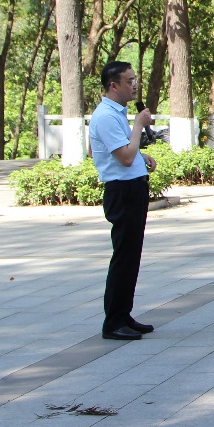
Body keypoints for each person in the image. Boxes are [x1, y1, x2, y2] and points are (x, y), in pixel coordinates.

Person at [89, 61, 158, 341]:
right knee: (124, 257)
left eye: (135, 79)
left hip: (133, 188)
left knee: (131, 256)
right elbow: (125, 158)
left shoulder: (116, 113)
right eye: (129, 81)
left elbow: (124, 152)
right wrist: (139, 126)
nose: (134, 85)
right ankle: (113, 322)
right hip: (122, 191)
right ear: (113, 85)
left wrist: (142, 155)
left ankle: (124, 314)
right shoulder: (105, 116)